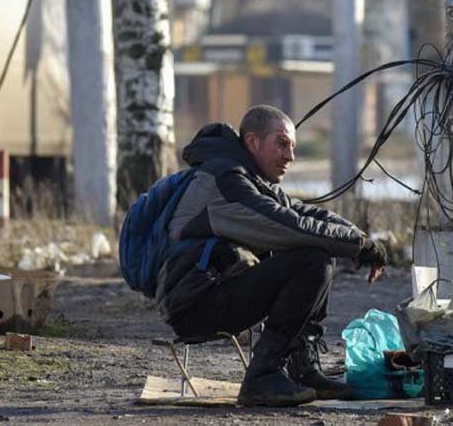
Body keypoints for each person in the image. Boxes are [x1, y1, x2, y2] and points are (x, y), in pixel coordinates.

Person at [155, 104, 389, 407]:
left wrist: (362, 241)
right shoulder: (226, 181)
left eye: (292, 146)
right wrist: (360, 246)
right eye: (281, 144)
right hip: (193, 304)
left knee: (316, 251)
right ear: (253, 142)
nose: (290, 156)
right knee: (311, 258)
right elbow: (289, 226)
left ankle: (301, 369)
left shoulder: (247, 177)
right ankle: (262, 377)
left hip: (213, 292)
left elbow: (303, 212)